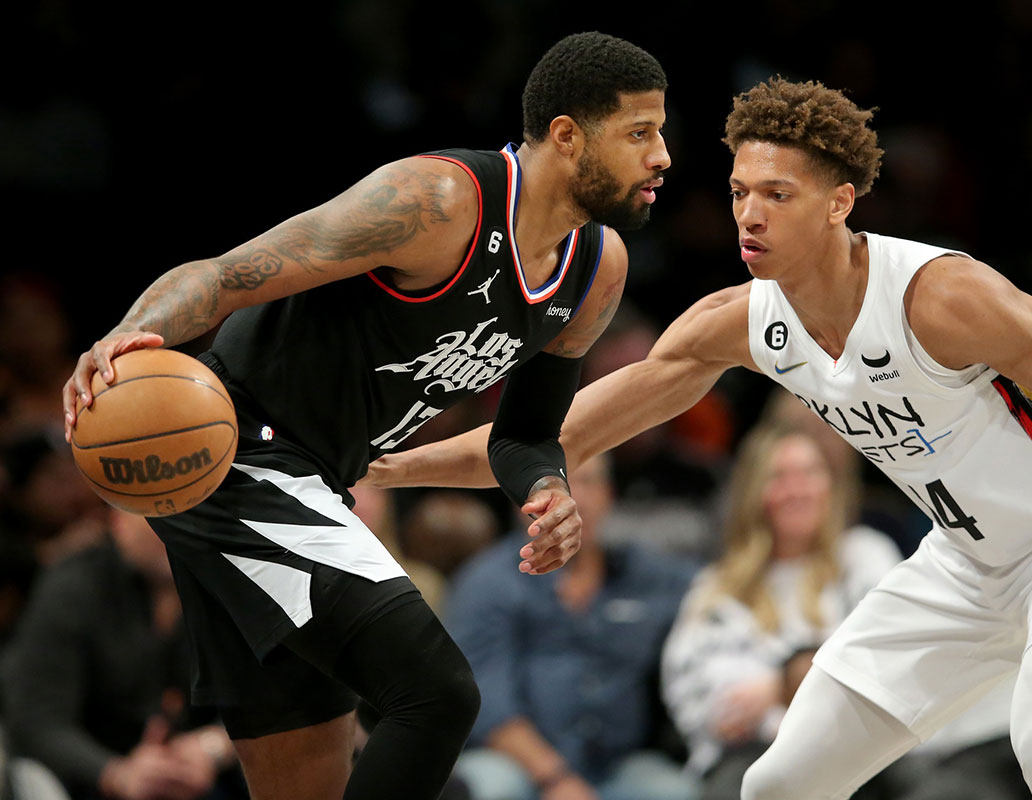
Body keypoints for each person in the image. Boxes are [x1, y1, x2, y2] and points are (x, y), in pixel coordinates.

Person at [367, 78, 1032, 800]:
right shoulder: (744, 322)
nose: (749, 214)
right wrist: (376, 464)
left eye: (778, 194)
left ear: (840, 202)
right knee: (778, 784)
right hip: (967, 560)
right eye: (738, 192)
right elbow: (557, 438)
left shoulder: (942, 298)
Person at [61, 32, 671, 800]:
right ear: (566, 136)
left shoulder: (595, 270)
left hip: (316, 478)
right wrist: (127, 332)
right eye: (640, 133)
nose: (663, 156)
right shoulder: (439, 203)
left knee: (309, 782)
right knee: (439, 693)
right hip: (239, 456)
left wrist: (546, 490)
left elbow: (525, 435)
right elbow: (225, 276)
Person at [660, 422, 900, 799]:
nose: (797, 490)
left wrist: (777, 686)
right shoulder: (717, 587)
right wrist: (814, 682)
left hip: (860, 760)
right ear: (754, 491)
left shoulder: (865, 557)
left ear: (830, 486)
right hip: (748, 763)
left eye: (809, 473)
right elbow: (712, 707)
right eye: (779, 477)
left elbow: (889, 664)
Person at [446, 454, 698, 800]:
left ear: (609, 494)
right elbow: (484, 698)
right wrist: (555, 778)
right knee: (489, 786)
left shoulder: (647, 575)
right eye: (556, 487)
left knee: (673, 790)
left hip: (615, 764)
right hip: (517, 763)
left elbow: (717, 589)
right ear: (526, 502)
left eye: (588, 482)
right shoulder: (488, 582)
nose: (572, 501)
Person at [2, 508, 241, 800]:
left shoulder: (225, 583)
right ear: (119, 521)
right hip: (93, 780)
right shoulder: (73, 587)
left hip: (204, 775)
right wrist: (118, 774)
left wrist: (211, 747)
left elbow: (268, 693)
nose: (178, 529)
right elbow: (37, 721)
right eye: (160, 516)